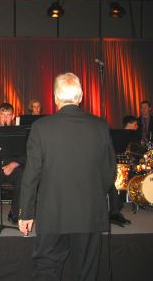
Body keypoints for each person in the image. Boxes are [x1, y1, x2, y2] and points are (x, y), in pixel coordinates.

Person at [19, 73, 116, 280]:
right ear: (80, 97)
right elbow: (110, 173)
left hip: (53, 213)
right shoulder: (100, 125)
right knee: (85, 272)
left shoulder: (41, 127)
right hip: (89, 212)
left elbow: (31, 175)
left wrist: (26, 213)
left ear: (55, 98)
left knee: (46, 269)